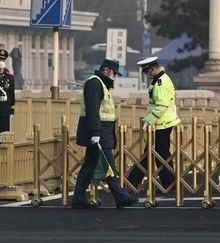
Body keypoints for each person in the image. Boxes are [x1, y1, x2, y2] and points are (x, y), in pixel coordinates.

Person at [72, 59, 136, 209]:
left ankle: (78, 198)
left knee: (89, 166)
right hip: (99, 131)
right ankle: (121, 196)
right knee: (108, 165)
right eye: (114, 73)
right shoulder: (95, 83)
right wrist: (95, 132)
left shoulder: (100, 84)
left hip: (102, 130)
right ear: (106, 70)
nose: (114, 77)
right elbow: (93, 109)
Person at [127, 56, 179, 192]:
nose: (147, 75)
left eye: (147, 72)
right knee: (155, 153)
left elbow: (161, 105)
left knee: (158, 154)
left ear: (152, 69)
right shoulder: (159, 81)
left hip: (163, 123)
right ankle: (166, 183)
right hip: (162, 122)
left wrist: (148, 120)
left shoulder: (161, 82)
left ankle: (135, 181)